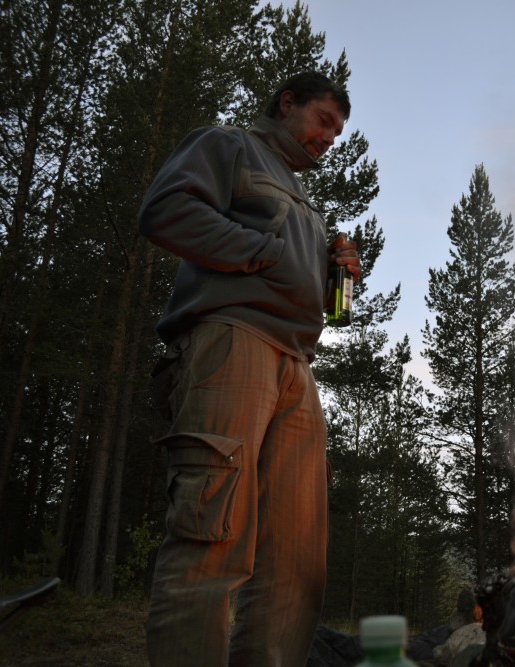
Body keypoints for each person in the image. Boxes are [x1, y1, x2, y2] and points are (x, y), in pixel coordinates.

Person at [138, 71, 360, 666]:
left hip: (297, 363)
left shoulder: (305, 202)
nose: (329, 138)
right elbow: (165, 211)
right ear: (287, 103)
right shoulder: (229, 145)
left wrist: (331, 271)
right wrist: (265, 252)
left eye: (338, 132)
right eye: (323, 120)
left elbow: (318, 299)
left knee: (296, 561)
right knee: (211, 533)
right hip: (233, 340)